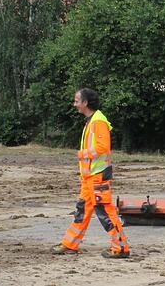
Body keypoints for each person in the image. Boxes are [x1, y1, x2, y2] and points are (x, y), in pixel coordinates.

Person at [51, 88, 131, 259]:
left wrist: (82, 154)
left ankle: (120, 248)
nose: (75, 104)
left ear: (85, 102)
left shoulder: (98, 121)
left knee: (104, 211)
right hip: (90, 178)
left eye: (76, 101)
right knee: (82, 210)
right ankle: (70, 244)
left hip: (98, 176)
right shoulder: (92, 120)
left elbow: (103, 147)